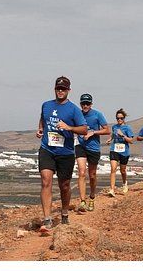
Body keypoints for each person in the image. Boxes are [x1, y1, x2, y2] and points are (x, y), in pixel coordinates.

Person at [36, 76, 87, 232]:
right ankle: (47, 219)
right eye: (58, 88)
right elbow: (42, 119)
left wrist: (69, 128)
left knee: (64, 186)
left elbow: (84, 130)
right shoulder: (46, 105)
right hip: (47, 149)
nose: (60, 91)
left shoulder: (74, 110)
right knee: (46, 181)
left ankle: (64, 213)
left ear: (68, 91)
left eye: (63, 89)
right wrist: (40, 129)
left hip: (65, 152)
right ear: (55, 89)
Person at [75, 93, 110, 212]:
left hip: (93, 148)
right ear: (80, 104)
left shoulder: (97, 114)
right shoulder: (77, 114)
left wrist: (93, 132)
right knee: (81, 172)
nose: (85, 106)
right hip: (80, 146)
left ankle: (92, 197)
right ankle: (82, 201)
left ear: (91, 104)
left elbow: (107, 130)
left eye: (87, 103)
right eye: (83, 103)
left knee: (92, 175)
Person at [106, 108, 134, 197]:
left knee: (122, 170)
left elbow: (131, 140)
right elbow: (113, 135)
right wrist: (110, 140)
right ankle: (112, 189)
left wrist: (123, 135)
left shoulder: (127, 128)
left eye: (121, 118)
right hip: (114, 149)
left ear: (124, 118)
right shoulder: (114, 127)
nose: (119, 120)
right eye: (117, 118)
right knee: (113, 169)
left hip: (124, 151)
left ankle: (125, 183)